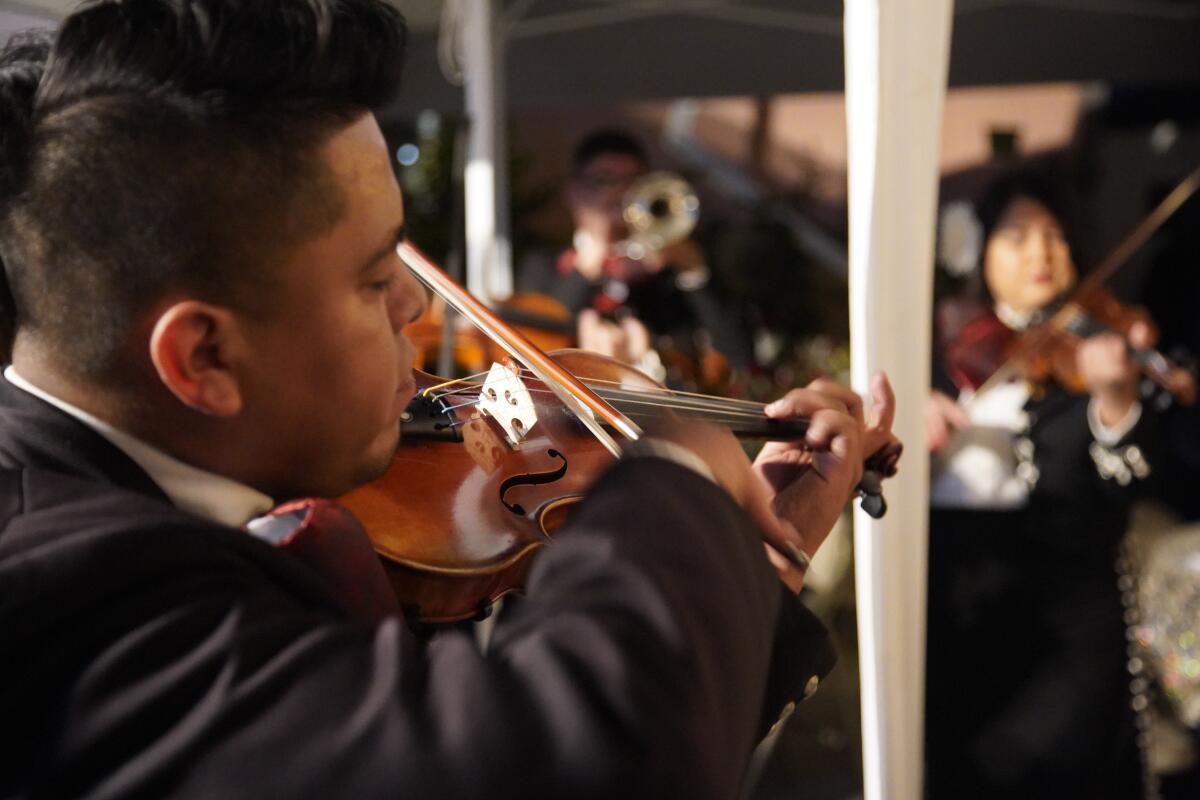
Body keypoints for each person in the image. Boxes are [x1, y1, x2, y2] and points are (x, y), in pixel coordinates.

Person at [0, 3, 898, 798]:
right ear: (203, 357)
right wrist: (672, 480)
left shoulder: (146, 498)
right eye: (372, 276)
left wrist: (752, 558)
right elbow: (561, 760)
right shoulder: (65, 607)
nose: (418, 305)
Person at [924, 174, 1166, 798]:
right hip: (961, 604)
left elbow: (1129, 477)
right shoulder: (939, 346)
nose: (1042, 254)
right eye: (1018, 237)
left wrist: (1115, 396)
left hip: (1070, 616)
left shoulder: (1092, 341)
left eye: (1055, 236)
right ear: (977, 252)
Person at [518, 129, 753, 388]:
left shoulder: (669, 274)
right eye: (605, 180)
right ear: (574, 193)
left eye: (634, 181)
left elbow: (739, 354)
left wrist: (693, 273)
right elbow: (534, 348)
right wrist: (585, 269)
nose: (622, 193)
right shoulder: (544, 265)